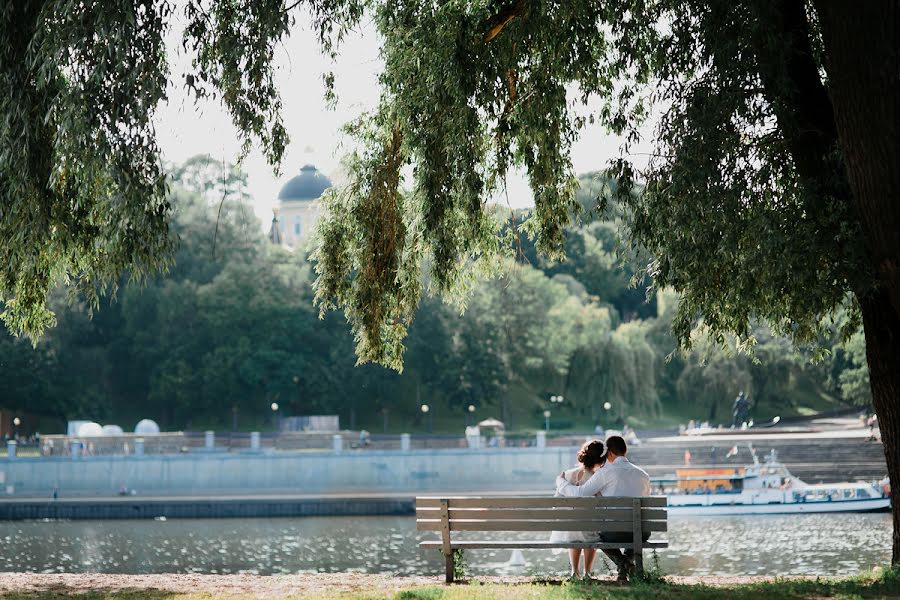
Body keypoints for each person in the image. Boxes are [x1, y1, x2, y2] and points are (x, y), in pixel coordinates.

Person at [556, 435, 651, 583]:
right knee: (634, 531)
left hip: (614, 533)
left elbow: (580, 493)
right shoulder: (643, 474)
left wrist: (561, 482)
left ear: (610, 453)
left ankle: (624, 564)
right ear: (624, 451)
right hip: (643, 531)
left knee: (599, 535)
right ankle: (624, 568)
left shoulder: (605, 473)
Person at [550, 439, 607, 579]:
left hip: (569, 528)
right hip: (589, 528)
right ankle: (587, 572)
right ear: (600, 459)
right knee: (590, 528)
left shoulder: (567, 475)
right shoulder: (597, 477)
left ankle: (574, 571)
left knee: (575, 526)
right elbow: (602, 504)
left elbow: (557, 501)